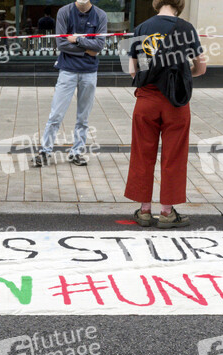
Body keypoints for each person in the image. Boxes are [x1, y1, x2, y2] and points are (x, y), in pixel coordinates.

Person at [125, 0, 206, 229]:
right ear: (179, 4)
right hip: (175, 102)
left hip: (147, 100)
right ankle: (167, 213)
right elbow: (201, 68)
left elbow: (132, 70)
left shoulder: (141, 28)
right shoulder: (186, 28)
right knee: (174, 156)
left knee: (142, 153)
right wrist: (184, 74)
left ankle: (144, 211)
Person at [33, 0, 107, 168]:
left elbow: (99, 45)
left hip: (89, 72)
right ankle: (45, 151)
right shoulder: (64, 12)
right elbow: (61, 44)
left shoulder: (100, 15)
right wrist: (88, 49)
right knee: (56, 115)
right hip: (67, 70)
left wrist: (77, 40)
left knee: (83, 117)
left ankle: (77, 152)